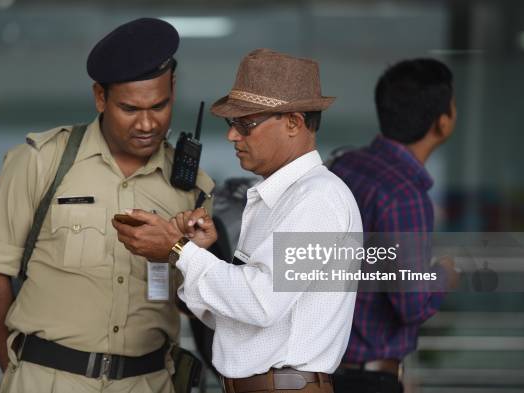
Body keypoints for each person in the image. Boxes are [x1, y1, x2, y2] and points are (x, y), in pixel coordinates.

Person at [0, 18, 213, 393]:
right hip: (47, 379)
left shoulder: (193, 189)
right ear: (101, 97)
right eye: (130, 109)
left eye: (160, 105)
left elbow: (189, 303)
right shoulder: (39, 164)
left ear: (174, 91)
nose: (148, 123)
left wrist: (193, 255)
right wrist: (16, 373)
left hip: (148, 382)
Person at [113, 49, 363, 393]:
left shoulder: (316, 198)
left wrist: (179, 249)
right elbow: (234, 317)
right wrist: (199, 253)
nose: (232, 136)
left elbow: (260, 304)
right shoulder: (279, 198)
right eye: (232, 125)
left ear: (294, 122)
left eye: (246, 125)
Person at [330, 58, 460, 393]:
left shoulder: (347, 165)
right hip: (365, 378)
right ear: (442, 121)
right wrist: (445, 273)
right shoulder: (405, 195)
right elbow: (412, 304)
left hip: (324, 367)